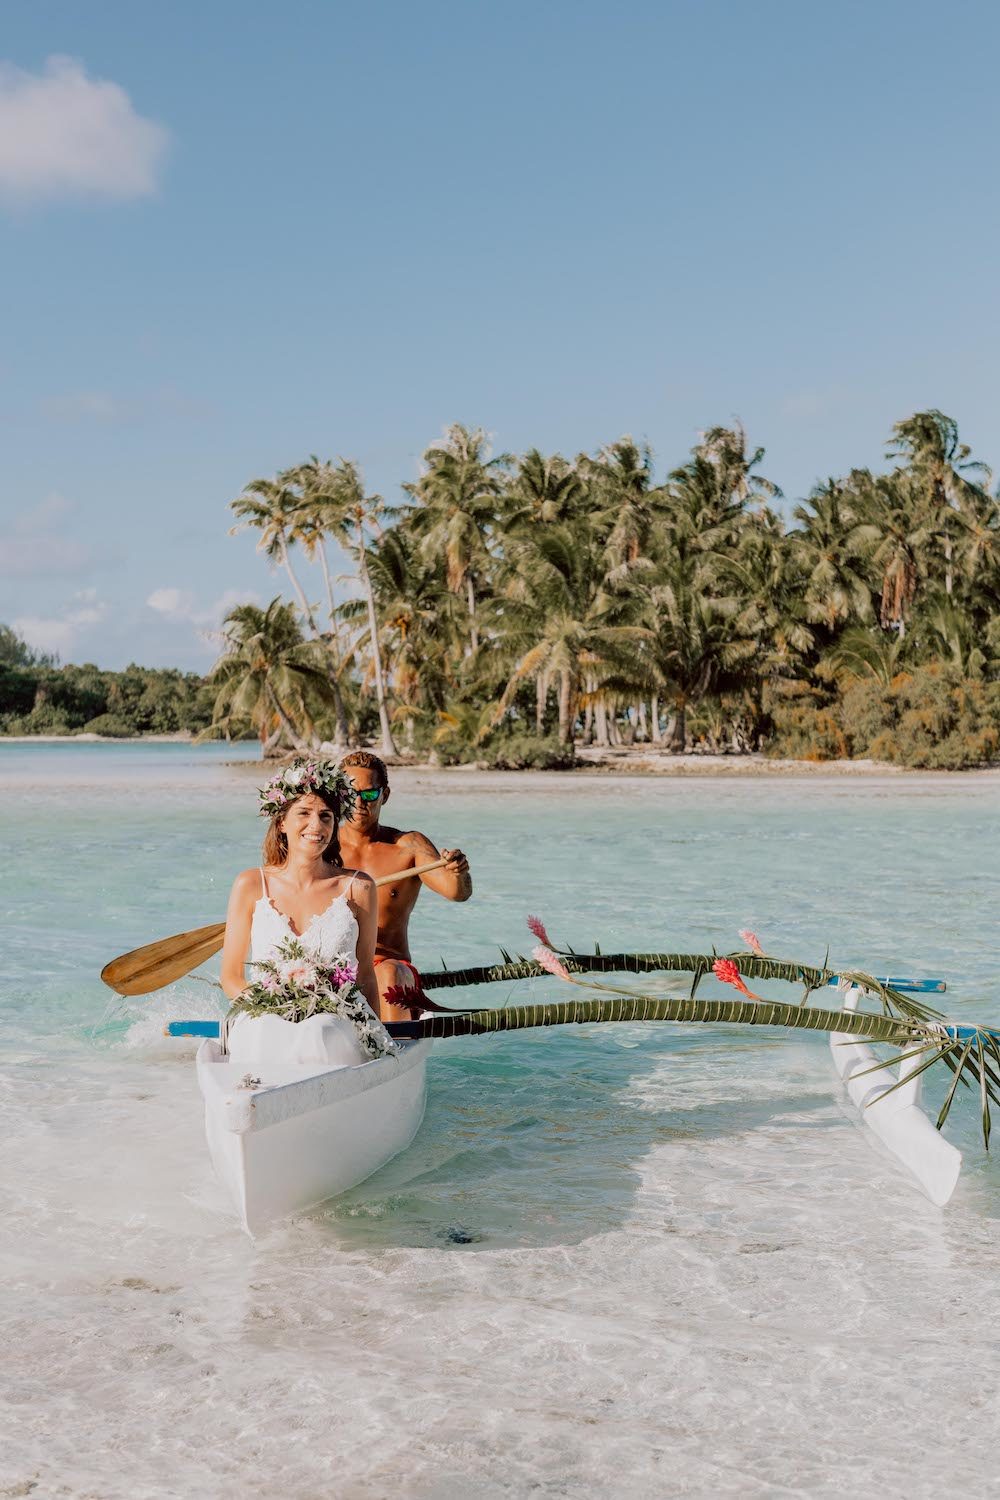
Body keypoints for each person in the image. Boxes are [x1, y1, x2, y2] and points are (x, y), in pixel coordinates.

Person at [219, 759, 392, 1068]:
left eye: (326, 817)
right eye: (304, 813)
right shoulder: (250, 884)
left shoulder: (359, 888)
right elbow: (231, 977)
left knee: (318, 1031)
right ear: (281, 822)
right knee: (265, 1031)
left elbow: (365, 975)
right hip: (263, 1017)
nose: (316, 826)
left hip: (337, 1021)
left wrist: (377, 1043)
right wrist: (276, 1007)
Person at [338, 750, 472, 1022]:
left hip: (390, 969)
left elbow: (457, 892)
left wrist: (457, 872)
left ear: (384, 795)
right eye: (351, 794)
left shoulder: (408, 846)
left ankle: (394, 1055)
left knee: (387, 973)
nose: (359, 803)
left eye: (369, 795)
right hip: (337, 970)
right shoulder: (322, 847)